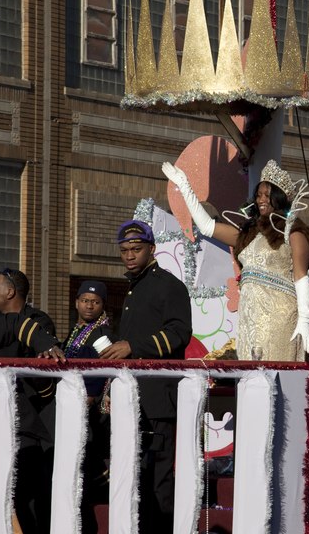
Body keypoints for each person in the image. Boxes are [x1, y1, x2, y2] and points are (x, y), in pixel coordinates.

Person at [162, 159, 309, 361]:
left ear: (279, 198)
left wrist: (304, 320)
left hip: (279, 317)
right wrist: (185, 186)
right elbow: (207, 226)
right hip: (249, 317)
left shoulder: (292, 231)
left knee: (275, 374)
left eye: (268, 196)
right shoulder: (249, 233)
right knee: (250, 378)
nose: (261, 199)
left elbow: (300, 276)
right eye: (259, 195)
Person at [100, 219, 192, 533]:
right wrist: (112, 384)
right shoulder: (133, 289)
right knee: (133, 477)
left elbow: (180, 333)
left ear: (151, 249)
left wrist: (132, 346)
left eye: (136, 249)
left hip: (158, 398)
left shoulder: (168, 285)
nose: (129, 255)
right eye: (124, 250)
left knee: (158, 482)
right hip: (133, 396)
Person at [0, 269, 63, 533]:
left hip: (30, 423)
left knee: (26, 498)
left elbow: (46, 382)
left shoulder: (38, 322)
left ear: (10, 292)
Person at [65, 280, 113, 528]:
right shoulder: (76, 330)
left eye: (95, 302)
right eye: (85, 300)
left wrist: (89, 397)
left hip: (88, 405)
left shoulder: (102, 333)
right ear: (76, 302)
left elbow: (100, 369)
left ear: (102, 306)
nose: (89, 306)